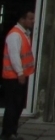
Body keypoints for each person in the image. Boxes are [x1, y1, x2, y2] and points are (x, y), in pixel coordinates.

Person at [2, 8, 36, 140]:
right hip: (13, 77)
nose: (33, 21)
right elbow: (14, 55)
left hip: (19, 76)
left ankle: (12, 132)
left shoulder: (24, 33)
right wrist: (20, 72)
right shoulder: (15, 35)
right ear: (22, 19)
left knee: (18, 105)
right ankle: (7, 133)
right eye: (30, 19)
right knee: (12, 106)